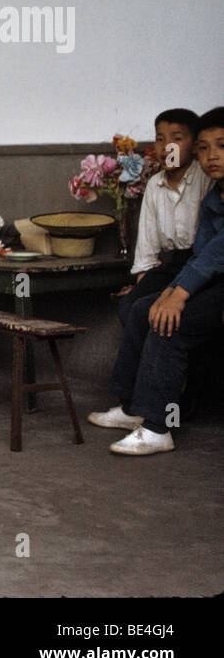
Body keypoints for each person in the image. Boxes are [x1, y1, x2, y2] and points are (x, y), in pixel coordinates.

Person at [90, 105, 224, 455]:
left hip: (213, 279)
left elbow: (214, 254)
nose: (212, 156)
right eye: (207, 148)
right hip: (199, 274)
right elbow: (202, 254)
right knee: (142, 309)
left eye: (221, 146)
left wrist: (178, 294)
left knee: (169, 322)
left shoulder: (205, 186)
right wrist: (166, 289)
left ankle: (159, 425)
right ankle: (134, 407)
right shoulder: (215, 198)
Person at [118, 109, 209, 326]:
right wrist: (143, 286)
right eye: (160, 139)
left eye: (176, 139)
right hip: (171, 267)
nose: (167, 147)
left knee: (148, 311)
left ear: (195, 145)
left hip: (201, 266)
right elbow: (147, 250)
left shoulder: (205, 178)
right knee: (130, 306)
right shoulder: (154, 185)